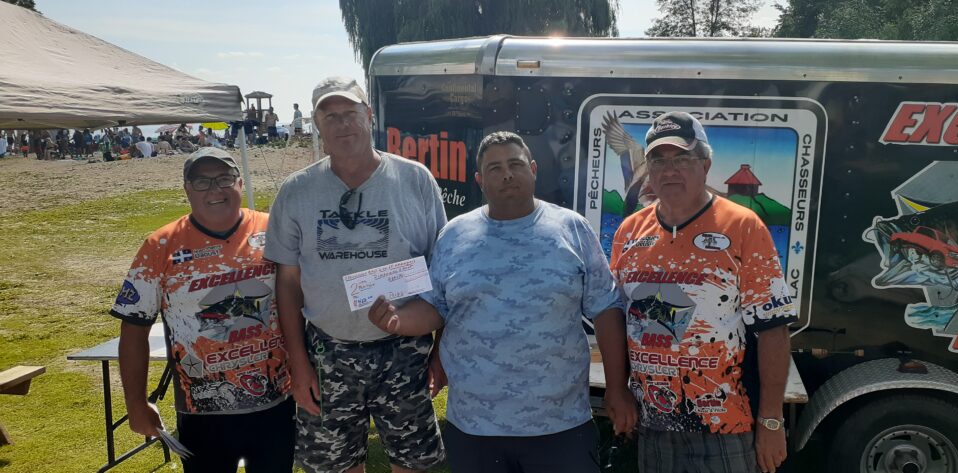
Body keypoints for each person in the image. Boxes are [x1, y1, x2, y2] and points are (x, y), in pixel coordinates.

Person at [367, 131, 638, 473]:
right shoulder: (454, 235)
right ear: (480, 180)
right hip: (475, 426)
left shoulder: (572, 229)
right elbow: (436, 307)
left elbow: (606, 308)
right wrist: (398, 320)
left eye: (515, 164)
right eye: (494, 168)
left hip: (561, 423)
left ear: (533, 169)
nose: (507, 174)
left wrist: (617, 387)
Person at [264, 76, 446, 473]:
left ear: (369, 116)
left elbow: (443, 273)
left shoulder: (415, 180)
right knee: (337, 467)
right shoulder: (296, 191)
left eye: (350, 113)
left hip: (405, 351)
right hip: (328, 352)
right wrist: (299, 363)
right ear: (316, 124)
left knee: (412, 464)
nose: (342, 123)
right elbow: (288, 284)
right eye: (330, 116)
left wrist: (440, 352)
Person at [608, 112, 795, 473]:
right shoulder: (629, 231)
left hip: (727, 423)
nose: (669, 170)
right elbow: (618, 319)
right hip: (653, 423)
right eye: (658, 160)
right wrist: (619, 390)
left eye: (682, 158)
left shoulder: (743, 226)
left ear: (705, 165)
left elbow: (773, 328)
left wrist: (772, 420)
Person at [111, 147, 294, 472]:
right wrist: (136, 403)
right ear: (186, 188)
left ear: (240, 183)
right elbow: (134, 328)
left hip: (276, 403)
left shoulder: (274, 229)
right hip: (202, 410)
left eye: (224, 179)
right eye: (202, 182)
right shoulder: (159, 246)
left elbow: (301, 300)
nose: (215, 190)